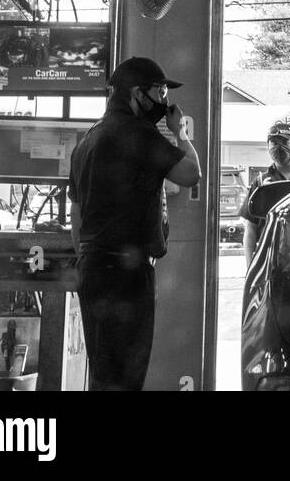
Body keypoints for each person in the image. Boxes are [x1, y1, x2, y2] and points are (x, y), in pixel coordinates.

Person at [68, 56, 201, 391]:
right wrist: (179, 131)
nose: (164, 101)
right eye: (159, 91)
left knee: (104, 371)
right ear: (137, 94)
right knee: (126, 376)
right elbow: (190, 174)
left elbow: (77, 215)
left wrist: (86, 262)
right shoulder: (137, 133)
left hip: (93, 269)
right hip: (126, 275)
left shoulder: (89, 138)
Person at [242, 121, 290, 267]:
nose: (280, 147)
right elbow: (250, 229)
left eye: (286, 142)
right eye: (274, 143)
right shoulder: (260, 182)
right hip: (270, 261)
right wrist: (250, 268)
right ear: (268, 147)